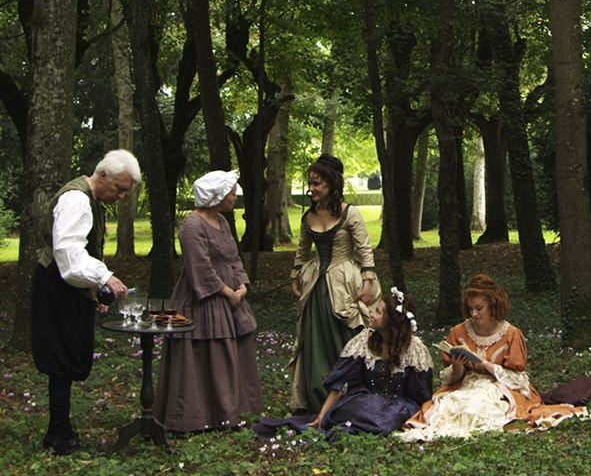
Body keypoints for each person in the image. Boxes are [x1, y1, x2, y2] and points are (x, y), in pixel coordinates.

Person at [31, 149, 140, 455]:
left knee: (66, 358)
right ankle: (61, 435)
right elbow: (69, 256)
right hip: (56, 285)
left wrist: (92, 292)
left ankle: (57, 430)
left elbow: (80, 255)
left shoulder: (89, 200)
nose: (120, 197)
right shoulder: (77, 200)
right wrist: (104, 277)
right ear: (103, 175)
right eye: (119, 189)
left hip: (65, 285)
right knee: (61, 359)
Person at [400, 274, 586, 441]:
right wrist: (458, 366)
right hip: (465, 385)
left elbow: (517, 378)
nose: (474, 314)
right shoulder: (459, 331)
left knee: (481, 408)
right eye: (471, 308)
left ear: (493, 306)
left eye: (479, 308)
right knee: (450, 407)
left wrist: (485, 364)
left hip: (499, 388)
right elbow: (450, 379)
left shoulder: (511, 334)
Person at [154, 170, 263, 431]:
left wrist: (242, 286)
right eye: (231, 193)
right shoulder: (192, 226)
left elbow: (233, 258)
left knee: (230, 353)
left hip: (231, 296)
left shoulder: (223, 223)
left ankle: (231, 412)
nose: (234, 197)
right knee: (204, 355)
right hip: (202, 299)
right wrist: (226, 291)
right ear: (216, 196)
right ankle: (197, 416)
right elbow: (199, 268)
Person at [254, 288, 433, 438]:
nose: (371, 313)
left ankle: (374, 425)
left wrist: (422, 419)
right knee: (357, 409)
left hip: (398, 406)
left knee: (390, 417)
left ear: (392, 322)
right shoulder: (364, 342)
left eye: (378, 311)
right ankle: (366, 424)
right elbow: (339, 383)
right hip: (365, 401)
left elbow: (422, 394)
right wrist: (322, 416)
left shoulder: (414, 350)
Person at [288, 154, 381, 413]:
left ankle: (354, 396)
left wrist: (367, 281)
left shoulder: (350, 213)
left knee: (348, 336)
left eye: (317, 183)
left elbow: (364, 250)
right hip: (317, 286)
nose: (312, 188)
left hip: (344, 282)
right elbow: (302, 250)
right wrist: (295, 276)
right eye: (310, 183)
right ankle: (318, 397)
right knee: (314, 340)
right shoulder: (308, 217)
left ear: (331, 183)